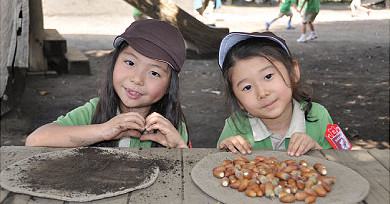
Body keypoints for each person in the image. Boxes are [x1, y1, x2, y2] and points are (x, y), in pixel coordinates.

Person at [26, 19, 189, 148]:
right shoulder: (94, 111)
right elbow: (35, 140)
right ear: (114, 63)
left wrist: (180, 148)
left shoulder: (171, 126)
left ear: (170, 86)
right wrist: (103, 131)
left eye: (154, 73)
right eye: (130, 63)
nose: (137, 79)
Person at [217, 32, 333, 156]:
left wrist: (317, 151)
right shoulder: (234, 127)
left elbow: (342, 166)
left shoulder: (319, 116)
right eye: (247, 87)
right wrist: (227, 150)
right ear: (238, 100)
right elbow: (213, 164)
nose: (262, 93)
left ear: (293, 71)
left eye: (268, 76)